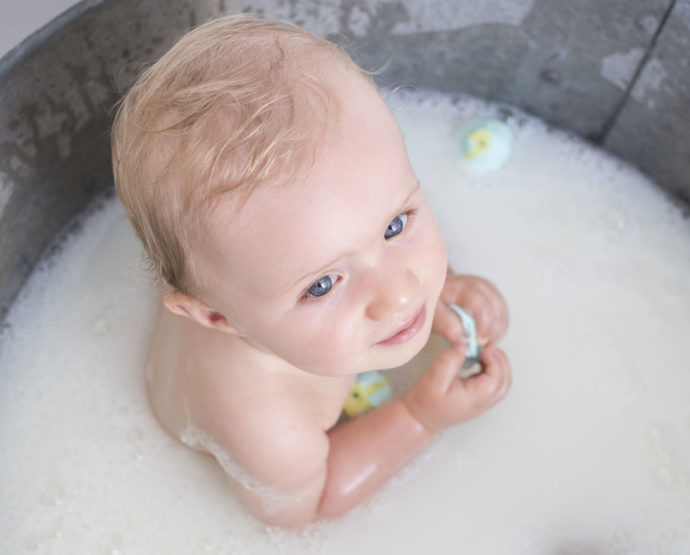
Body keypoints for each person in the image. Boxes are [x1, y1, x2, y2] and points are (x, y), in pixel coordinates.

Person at [111, 14, 511, 528]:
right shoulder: (264, 426)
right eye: (322, 285)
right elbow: (303, 508)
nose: (400, 295)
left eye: (395, 226)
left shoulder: (284, 257)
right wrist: (419, 417)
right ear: (217, 318)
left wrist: (449, 286)